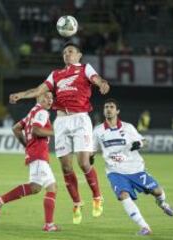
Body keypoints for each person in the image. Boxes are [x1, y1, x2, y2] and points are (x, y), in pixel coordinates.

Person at [9, 41, 110, 224]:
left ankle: (97, 197)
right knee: (65, 167)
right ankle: (77, 203)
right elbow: (40, 90)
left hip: (80, 118)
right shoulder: (56, 74)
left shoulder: (84, 68)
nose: (67, 54)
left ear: (78, 55)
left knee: (83, 162)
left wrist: (102, 83)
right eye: (64, 52)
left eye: (70, 51)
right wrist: (21, 95)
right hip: (61, 120)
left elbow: (96, 79)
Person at [92, 99, 173, 236]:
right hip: (115, 171)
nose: (108, 109)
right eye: (106, 107)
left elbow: (143, 141)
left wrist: (139, 145)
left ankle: (162, 204)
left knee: (157, 191)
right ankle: (145, 227)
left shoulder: (128, 127)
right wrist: (90, 157)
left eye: (112, 107)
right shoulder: (98, 131)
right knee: (123, 195)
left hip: (135, 168)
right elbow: (93, 149)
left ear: (117, 111)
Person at [0, 92, 60, 232]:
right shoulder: (41, 112)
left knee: (41, 187)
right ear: (38, 98)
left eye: (51, 98)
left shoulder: (31, 113)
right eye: (46, 97)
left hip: (36, 154)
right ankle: (48, 224)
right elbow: (36, 130)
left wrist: (27, 145)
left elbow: (16, 128)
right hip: (39, 154)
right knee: (45, 188)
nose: (49, 100)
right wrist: (55, 132)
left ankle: (1, 200)